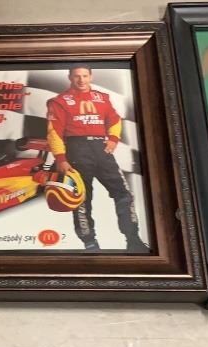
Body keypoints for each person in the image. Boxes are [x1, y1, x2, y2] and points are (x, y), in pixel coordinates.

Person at [46, 66, 148, 251]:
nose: (81, 80)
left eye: (85, 76)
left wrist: (113, 139)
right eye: (77, 76)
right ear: (70, 77)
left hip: (101, 150)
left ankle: (133, 240)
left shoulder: (102, 97)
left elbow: (115, 120)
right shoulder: (59, 101)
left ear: (91, 77)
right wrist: (60, 158)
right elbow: (54, 132)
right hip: (76, 151)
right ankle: (90, 243)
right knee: (82, 199)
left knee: (123, 193)